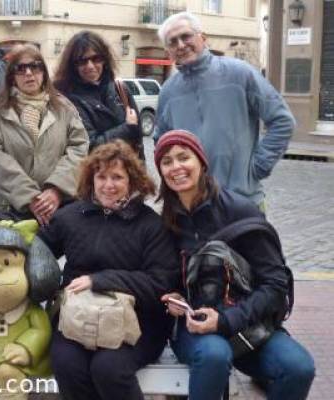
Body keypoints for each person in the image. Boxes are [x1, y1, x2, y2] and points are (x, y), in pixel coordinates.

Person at [154, 130, 315, 400]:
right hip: (195, 329)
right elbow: (166, 278)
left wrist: (227, 320)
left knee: (299, 367)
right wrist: (175, 296)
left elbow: (275, 285)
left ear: (202, 163)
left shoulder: (240, 212)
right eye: (166, 161)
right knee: (215, 354)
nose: (176, 167)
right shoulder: (168, 222)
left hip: (246, 324)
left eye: (184, 157)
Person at [38, 140, 179, 400]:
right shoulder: (70, 217)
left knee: (109, 368)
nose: (108, 185)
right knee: (67, 363)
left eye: (117, 177)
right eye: (101, 176)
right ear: (91, 179)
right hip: (77, 317)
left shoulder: (150, 225)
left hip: (137, 321)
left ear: (132, 181)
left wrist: (99, 280)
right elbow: (38, 252)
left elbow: (161, 283)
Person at [154, 12, 295, 206]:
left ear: (202, 38)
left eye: (186, 36)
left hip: (243, 201)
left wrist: (258, 167)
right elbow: (161, 142)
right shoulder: (168, 91)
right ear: (168, 51)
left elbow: (282, 120)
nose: (180, 45)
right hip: (192, 205)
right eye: (172, 42)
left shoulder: (239, 73)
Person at [0, 44, 89, 226]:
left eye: (35, 66)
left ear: (44, 72)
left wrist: (55, 189)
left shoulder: (64, 108)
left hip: (61, 206)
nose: (29, 73)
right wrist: (31, 198)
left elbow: (79, 147)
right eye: (21, 69)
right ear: (12, 77)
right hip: (13, 210)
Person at [54, 31, 144, 158]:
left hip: (126, 173)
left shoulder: (120, 89)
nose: (90, 66)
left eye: (96, 59)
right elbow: (89, 147)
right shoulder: (67, 100)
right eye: (82, 61)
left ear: (104, 60)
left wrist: (141, 174)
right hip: (96, 175)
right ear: (73, 66)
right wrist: (127, 129)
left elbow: (138, 141)